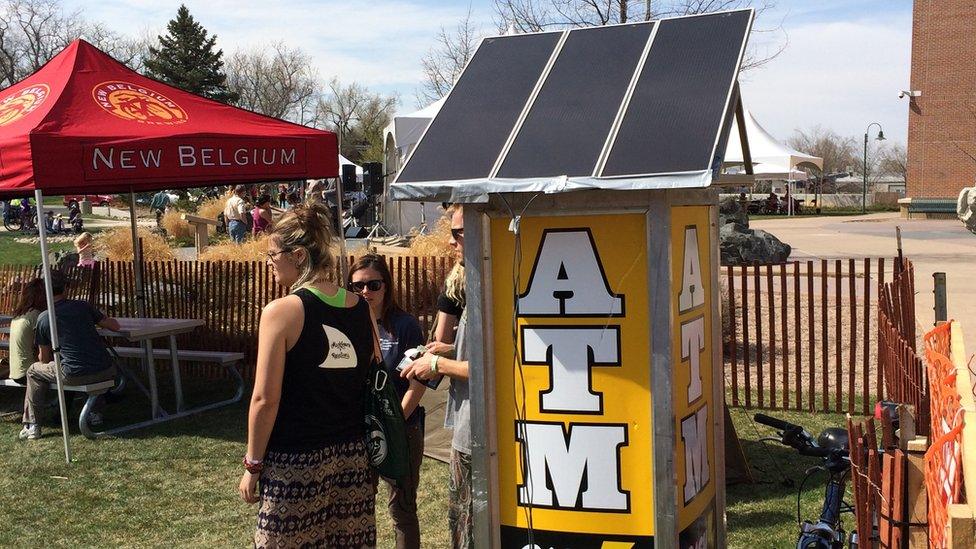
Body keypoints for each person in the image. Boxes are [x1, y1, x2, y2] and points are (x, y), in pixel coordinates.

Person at [238, 201, 376, 547]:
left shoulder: (281, 312)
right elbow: (372, 374)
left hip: (295, 464)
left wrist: (252, 464)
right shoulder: (361, 307)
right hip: (352, 460)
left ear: (298, 255)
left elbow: (264, 399)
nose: (269, 264)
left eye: (272, 255)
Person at [401, 204, 472, 548]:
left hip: (481, 431)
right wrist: (447, 351)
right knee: (461, 516)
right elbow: (460, 346)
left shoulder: (492, 288)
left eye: (457, 233)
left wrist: (438, 364)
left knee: (472, 519)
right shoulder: (462, 283)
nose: (450, 242)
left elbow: (490, 366)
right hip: (467, 425)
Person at [348, 254, 426, 549]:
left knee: (402, 509)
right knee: (358, 507)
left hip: (402, 430)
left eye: (373, 284)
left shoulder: (405, 326)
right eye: (357, 286)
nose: (365, 292)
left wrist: (393, 425)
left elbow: (417, 385)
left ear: (386, 286)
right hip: (360, 431)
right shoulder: (349, 325)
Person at [20, 271, 119, 440]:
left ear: (45, 292)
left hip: (74, 374)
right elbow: (114, 326)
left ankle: (33, 425)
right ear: (66, 288)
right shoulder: (83, 306)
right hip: (107, 369)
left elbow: (44, 359)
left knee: (33, 370)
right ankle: (95, 413)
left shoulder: (44, 318)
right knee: (87, 363)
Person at [7, 278, 46, 385]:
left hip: (15, 371)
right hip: (28, 372)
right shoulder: (36, 315)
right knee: (68, 371)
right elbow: (44, 349)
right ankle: (63, 402)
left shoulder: (19, 315)